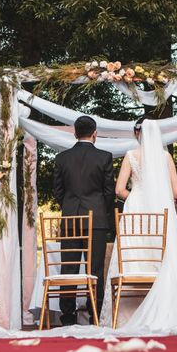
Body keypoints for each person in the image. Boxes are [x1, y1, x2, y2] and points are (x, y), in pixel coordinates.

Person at [100, 118, 177, 331]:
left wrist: (136, 196)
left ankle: (126, 317)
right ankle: (166, 310)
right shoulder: (166, 157)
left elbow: (120, 189)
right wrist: (159, 197)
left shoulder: (131, 156)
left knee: (133, 257)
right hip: (161, 210)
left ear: (137, 134)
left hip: (136, 210)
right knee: (162, 256)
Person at [53, 115, 114, 325]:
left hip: (70, 219)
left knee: (68, 267)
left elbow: (58, 192)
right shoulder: (105, 157)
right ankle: (94, 314)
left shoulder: (62, 158)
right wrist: (100, 211)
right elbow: (109, 193)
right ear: (95, 133)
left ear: (75, 133)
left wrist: (69, 208)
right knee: (95, 268)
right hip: (96, 220)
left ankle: (68, 316)